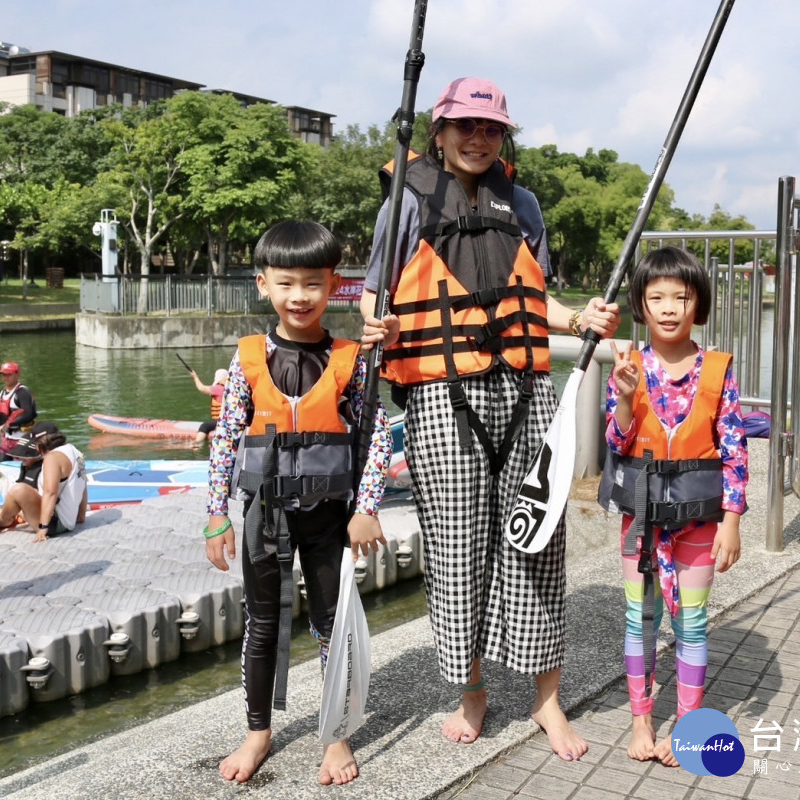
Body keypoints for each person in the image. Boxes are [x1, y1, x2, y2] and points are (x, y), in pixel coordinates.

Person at [360, 77, 620, 760]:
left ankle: (546, 701)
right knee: (457, 546)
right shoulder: (406, 201)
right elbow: (372, 298)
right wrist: (375, 327)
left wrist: (581, 319)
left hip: (526, 391)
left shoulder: (524, 202)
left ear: (503, 138)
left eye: (491, 129)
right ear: (439, 133)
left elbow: (540, 300)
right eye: (464, 127)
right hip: (442, 395)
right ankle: (472, 692)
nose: (478, 139)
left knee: (538, 540)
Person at [204, 220, 392, 786]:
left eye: (313, 283)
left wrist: (367, 506)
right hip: (264, 515)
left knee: (332, 626)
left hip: (329, 517)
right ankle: (258, 731)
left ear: (335, 285)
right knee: (262, 624)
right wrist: (216, 513)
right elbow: (226, 436)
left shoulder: (352, 359)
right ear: (263, 285)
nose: (300, 296)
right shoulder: (248, 358)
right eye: (286, 283)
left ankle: (336, 735)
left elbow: (376, 434)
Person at [601, 246, 748, 766]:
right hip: (639, 522)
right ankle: (641, 717)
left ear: (698, 304)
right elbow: (616, 443)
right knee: (638, 620)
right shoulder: (628, 366)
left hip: (699, 522)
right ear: (641, 304)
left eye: (680, 297)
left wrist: (732, 521)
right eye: (656, 297)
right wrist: (622, 398)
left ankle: (688, 719)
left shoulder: (719, 369)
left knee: (694, 622)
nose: (668, 307)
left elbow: (734, 449)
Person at [0, 423, 87, 543]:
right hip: (68, 521)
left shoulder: (52, 457)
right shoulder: (76, 452)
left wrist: (43, 528)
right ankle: (0, 520)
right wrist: (81, 516)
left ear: (39, 444)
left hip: (54, 525)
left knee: (19, 490)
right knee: (12, 500)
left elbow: (50, 493)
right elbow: (83, 485)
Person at [0, 361, 37, 457]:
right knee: (1, 465)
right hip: (6, 438)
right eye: (3, 375)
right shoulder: (1, 393)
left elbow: (27, 414)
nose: (5, 377)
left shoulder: (22, 392)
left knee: (19, 468)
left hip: (21, 438)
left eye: (9, 374)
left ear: (17, 374)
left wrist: (6, 425)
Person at [190, 367, 228, 443]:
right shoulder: (229, 388)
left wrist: (195, 377)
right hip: (228, 420)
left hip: (222, 422)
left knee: (205, 426)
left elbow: (201, 388)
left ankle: (196, 444)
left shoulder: (218, 389)